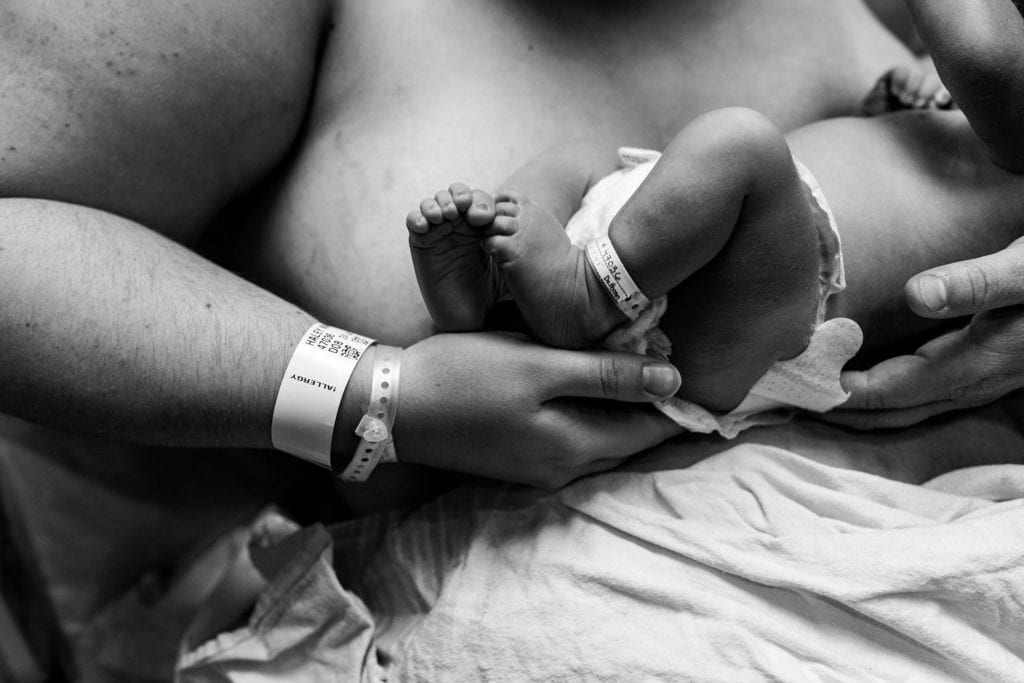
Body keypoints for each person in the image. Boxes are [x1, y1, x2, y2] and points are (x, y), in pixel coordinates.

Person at [405, 0, 1024, 436]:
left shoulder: (1010, 109)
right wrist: (903, 98)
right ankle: (490, 292)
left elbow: (983, 53)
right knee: (581, 159)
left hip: (768, 300)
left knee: (741, 142)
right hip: (694, 245)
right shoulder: (982, 135)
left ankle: (589, 294)